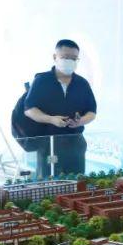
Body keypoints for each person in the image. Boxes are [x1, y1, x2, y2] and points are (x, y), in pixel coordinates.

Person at [24, 39, 97, 178]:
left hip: (75, 143)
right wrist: (51, 119)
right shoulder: (42, 80)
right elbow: (29, 109)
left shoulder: (82, 83)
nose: (69, 61)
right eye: (65, 57)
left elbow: (92, 112)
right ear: (55, 57)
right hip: (47, 143)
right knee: (48, 183)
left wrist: (80, 121)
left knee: (77, 182)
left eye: (74, 58)